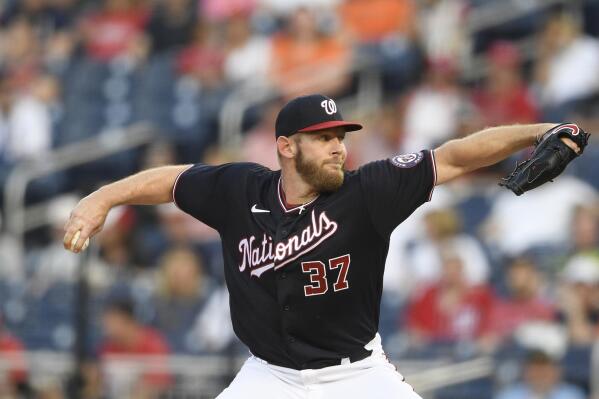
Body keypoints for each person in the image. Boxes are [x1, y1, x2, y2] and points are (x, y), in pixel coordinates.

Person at [64, 94, 585, 398]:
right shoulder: (240, 189)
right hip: (268, 376)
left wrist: (545, 129)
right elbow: (173, 181)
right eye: (323, 137)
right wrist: (102, 198)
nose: (339, 146)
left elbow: (452, 157)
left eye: (342, 135)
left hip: (356, 376)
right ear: (286, 147)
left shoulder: (369, 191)